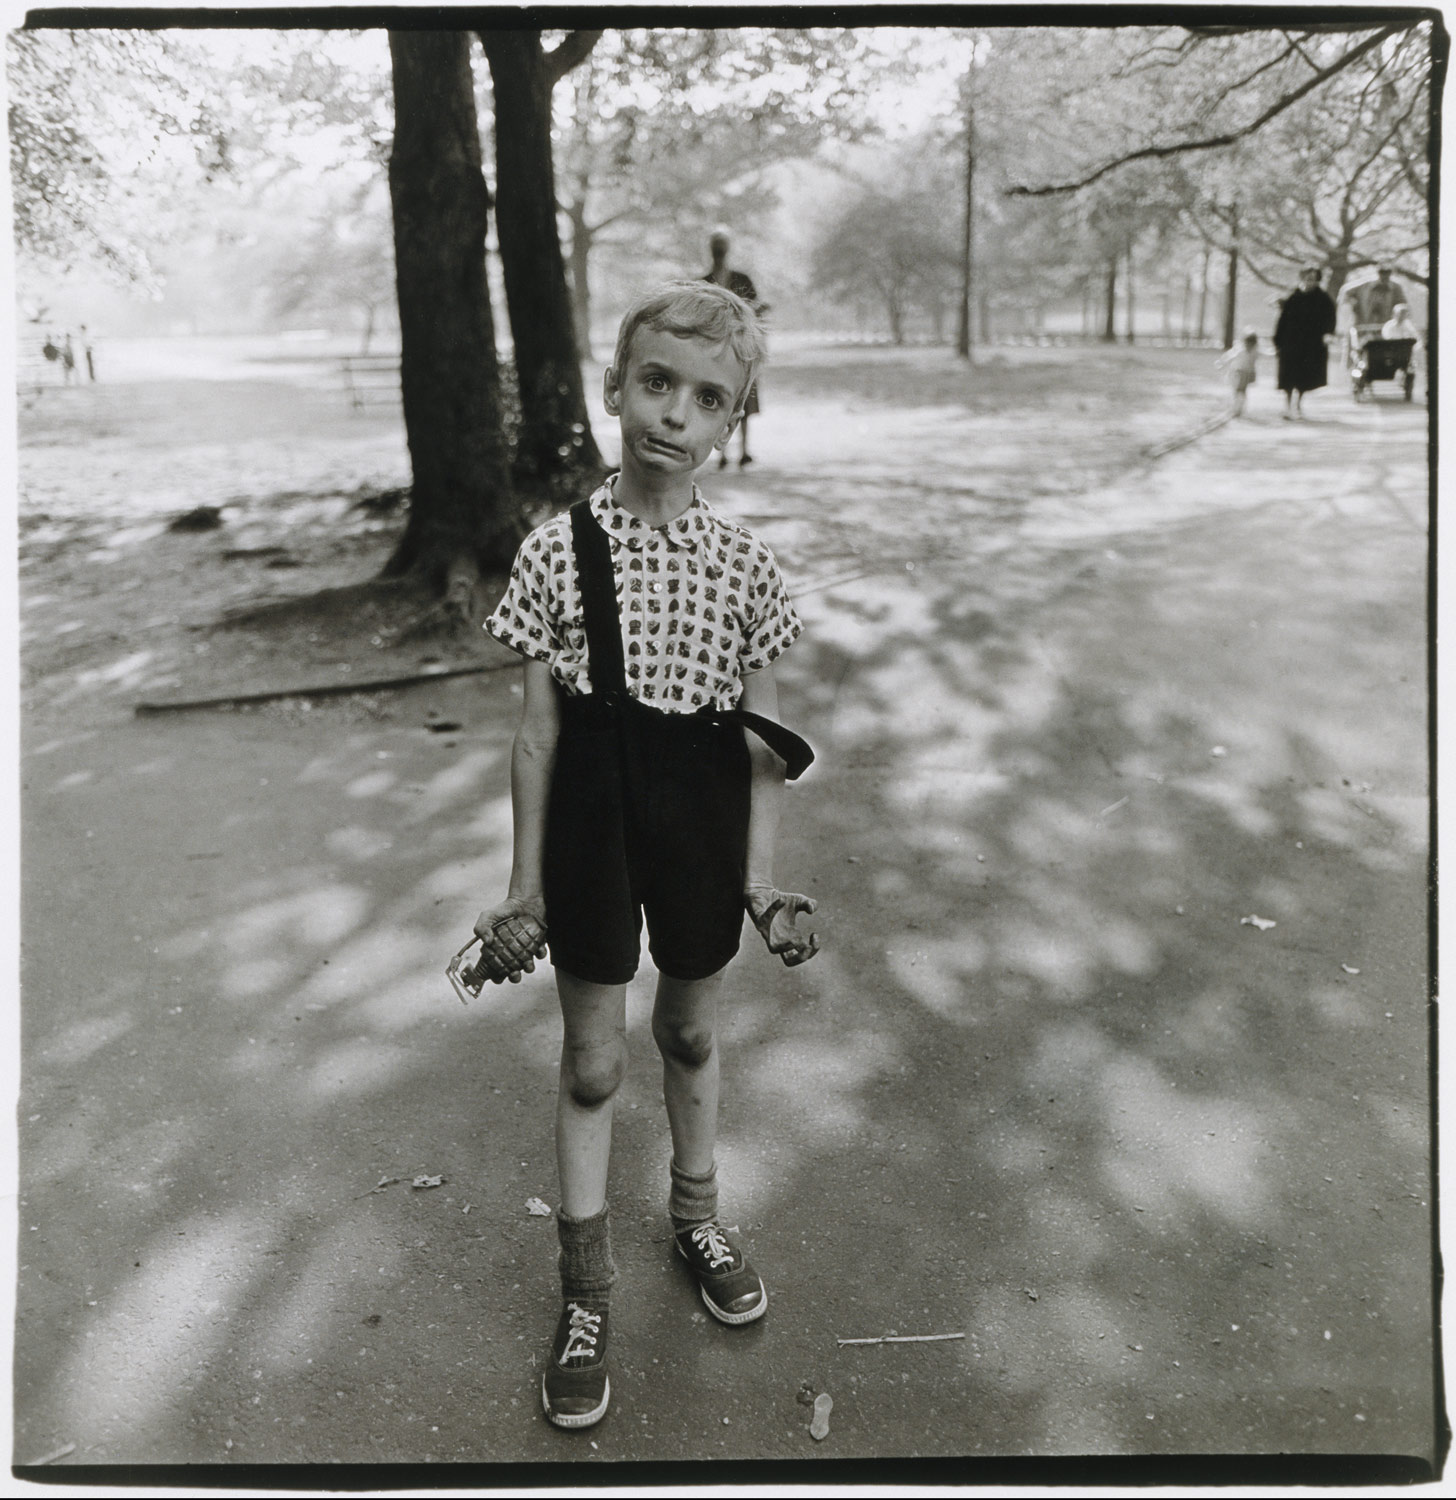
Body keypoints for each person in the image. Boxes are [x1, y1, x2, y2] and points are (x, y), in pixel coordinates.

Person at [477, 280, 820, 1431]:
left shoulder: (748, 573)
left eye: (708, 397)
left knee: (686, 1030)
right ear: (614, 386)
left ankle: (696, 1213)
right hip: (588, 820)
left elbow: (766, 748)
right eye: (657, 383)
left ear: (734, 422)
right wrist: (521, 886)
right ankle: (583, 1294)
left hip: (699, 824)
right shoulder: (552, 552)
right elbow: (535, 734)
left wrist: (761, 881)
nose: (675, 412)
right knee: (591, 1064)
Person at [701, 229, 768, 469]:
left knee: (743, 401)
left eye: (721, 247)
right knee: (718, 401)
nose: (719, 252)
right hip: (714, 353)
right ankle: (722, 453)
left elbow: (756, 309)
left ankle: (744, 450)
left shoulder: (741, 280)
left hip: (740, 350)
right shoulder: (704, 283)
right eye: (716, 247)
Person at [1273, 267, 1336, 420]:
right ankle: (1287, 406)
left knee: (1303, 376)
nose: (1309, 282)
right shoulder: (1294, 297)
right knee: (1288, 375)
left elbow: (1330, 318)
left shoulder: (1323, 298)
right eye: (1307, 278)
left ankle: (1298, 404)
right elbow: (1283, 319)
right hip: (1291, 342)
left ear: (1317, 280)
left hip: (1311, 344)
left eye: (1313, 279)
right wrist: (1277, 339)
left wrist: (1327, 333)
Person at [1346, 264, 1407, 331]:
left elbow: (1403, 304)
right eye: (1382, 272)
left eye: (1387, 273)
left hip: (1386, 322)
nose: (1384, 275)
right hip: (1366, 321)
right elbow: (1346, 291)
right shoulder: (1365, 284)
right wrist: (1354, 304)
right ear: (1378, 273)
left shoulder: (1396, 287)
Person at [1215, 330, 1260, 417]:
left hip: (1247, 373)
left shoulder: (1255, 351)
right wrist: (1221, 363)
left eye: (1251, 343)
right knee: (1238, 390)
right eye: (1247, 343)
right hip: (1238, 372)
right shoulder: (1241, 350)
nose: (1249, 345)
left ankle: (1239, 408)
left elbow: (1266, 354)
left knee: (1242, 391)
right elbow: (1230, 356)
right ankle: (1236, 408)